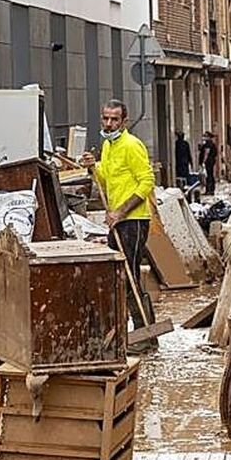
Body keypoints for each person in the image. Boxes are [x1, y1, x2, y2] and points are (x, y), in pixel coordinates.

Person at [81, 100, 157, 347]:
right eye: (105, 118)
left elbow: (146, 183)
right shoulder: (108, 145)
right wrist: (94, 167)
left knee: (130, 275)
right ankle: (126, 333)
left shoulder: (131, 145)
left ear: (124, 122)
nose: (109, 123)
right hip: (117, 220)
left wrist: (121, 212)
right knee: (120, 275)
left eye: (114, 119)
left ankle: (146, 334)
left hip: (133, 220)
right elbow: (107, 179)